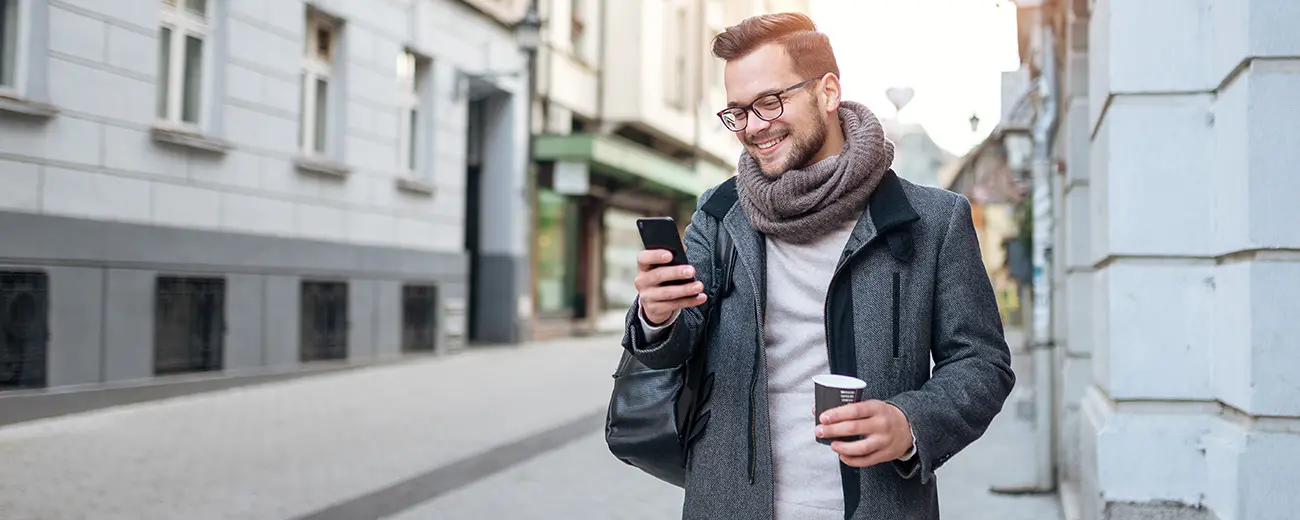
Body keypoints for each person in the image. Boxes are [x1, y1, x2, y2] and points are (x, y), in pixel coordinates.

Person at [620, 12, 1016, 520]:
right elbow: (677, 342)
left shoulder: (933, 221)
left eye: (769, 102)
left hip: (878, 506)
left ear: (827, 92)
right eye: (738, 111)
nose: (753, 127)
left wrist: (910, 422)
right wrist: (657, 315)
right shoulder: (719, 214)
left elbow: (982, 363)